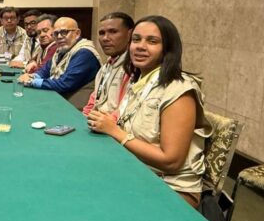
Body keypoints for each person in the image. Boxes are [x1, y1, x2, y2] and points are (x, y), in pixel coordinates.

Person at [87, 15, 211, 208]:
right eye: (136, 40)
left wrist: (115, 131)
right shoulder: (138, 82)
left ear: (168, 48)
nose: (140, 46)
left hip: (169, 188)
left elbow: (171, 161)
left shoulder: (178, 90)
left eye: (152, 41)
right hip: (136, 171)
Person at [18, 17, 101, 101]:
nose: (59, 36)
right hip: (62, 97)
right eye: (56, 33)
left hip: (77, 106)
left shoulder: (84, 53)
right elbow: (45, 70)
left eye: (64, 32)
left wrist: (31, 81)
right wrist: (32, 76)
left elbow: (64, 84)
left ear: (77, 33)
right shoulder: (62, 49)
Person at [82, 12, 135, 117]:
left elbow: (124, 111)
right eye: (101, 33)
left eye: (113, 32)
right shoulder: (105, 67)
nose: (105, 38)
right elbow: (94, 100)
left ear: (130, 34)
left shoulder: (133, 68)